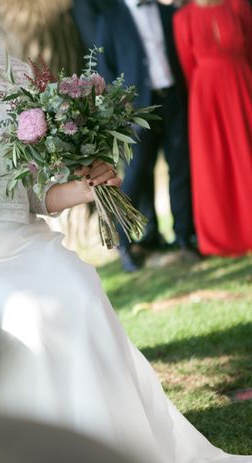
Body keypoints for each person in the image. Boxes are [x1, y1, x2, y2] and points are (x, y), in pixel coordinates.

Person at [0, 0, 251, 463]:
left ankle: (120, 458)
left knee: (78, 287)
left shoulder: (17, 74)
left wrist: (87, 186)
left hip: (23, 239)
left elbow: (35, 192)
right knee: (29, 309)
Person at [96, 0, 197, 272]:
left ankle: (185, 237)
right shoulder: (110, 18)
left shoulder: (167, 13)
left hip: (173, 99)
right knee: (137, 175)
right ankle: (124, 244)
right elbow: (104, 69)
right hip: (136, 110)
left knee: (181, 171)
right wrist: (120, 110)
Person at [173, 0, 252, 256]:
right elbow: (187, 65)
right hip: (206, 98)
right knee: (215, 163)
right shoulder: (182, 18)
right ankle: (224, 234)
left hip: (243, 86)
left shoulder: (238, 6)